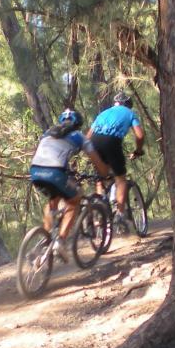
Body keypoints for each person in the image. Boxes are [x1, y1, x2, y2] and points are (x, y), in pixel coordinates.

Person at [29, 109, 109, 260]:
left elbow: (49, 155)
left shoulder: (47, 133)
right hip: (56, 172)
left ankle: (46, 239)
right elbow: (97, 161)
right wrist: (105, 174)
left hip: (35, 172)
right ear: (78, 125)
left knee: (53, 201)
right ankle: (60, 241)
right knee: (75, 200)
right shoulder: (79, 136)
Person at [86, 91, 145, 227]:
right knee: (120, 179)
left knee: (102, 177)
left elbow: (88, 137)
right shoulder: (130, 113)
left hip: (94, 143)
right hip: (112, 141)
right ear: (128, 105)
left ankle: (100, 207)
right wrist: (138, 150)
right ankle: (120, 214)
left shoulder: (103, 113)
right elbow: (140, 136)